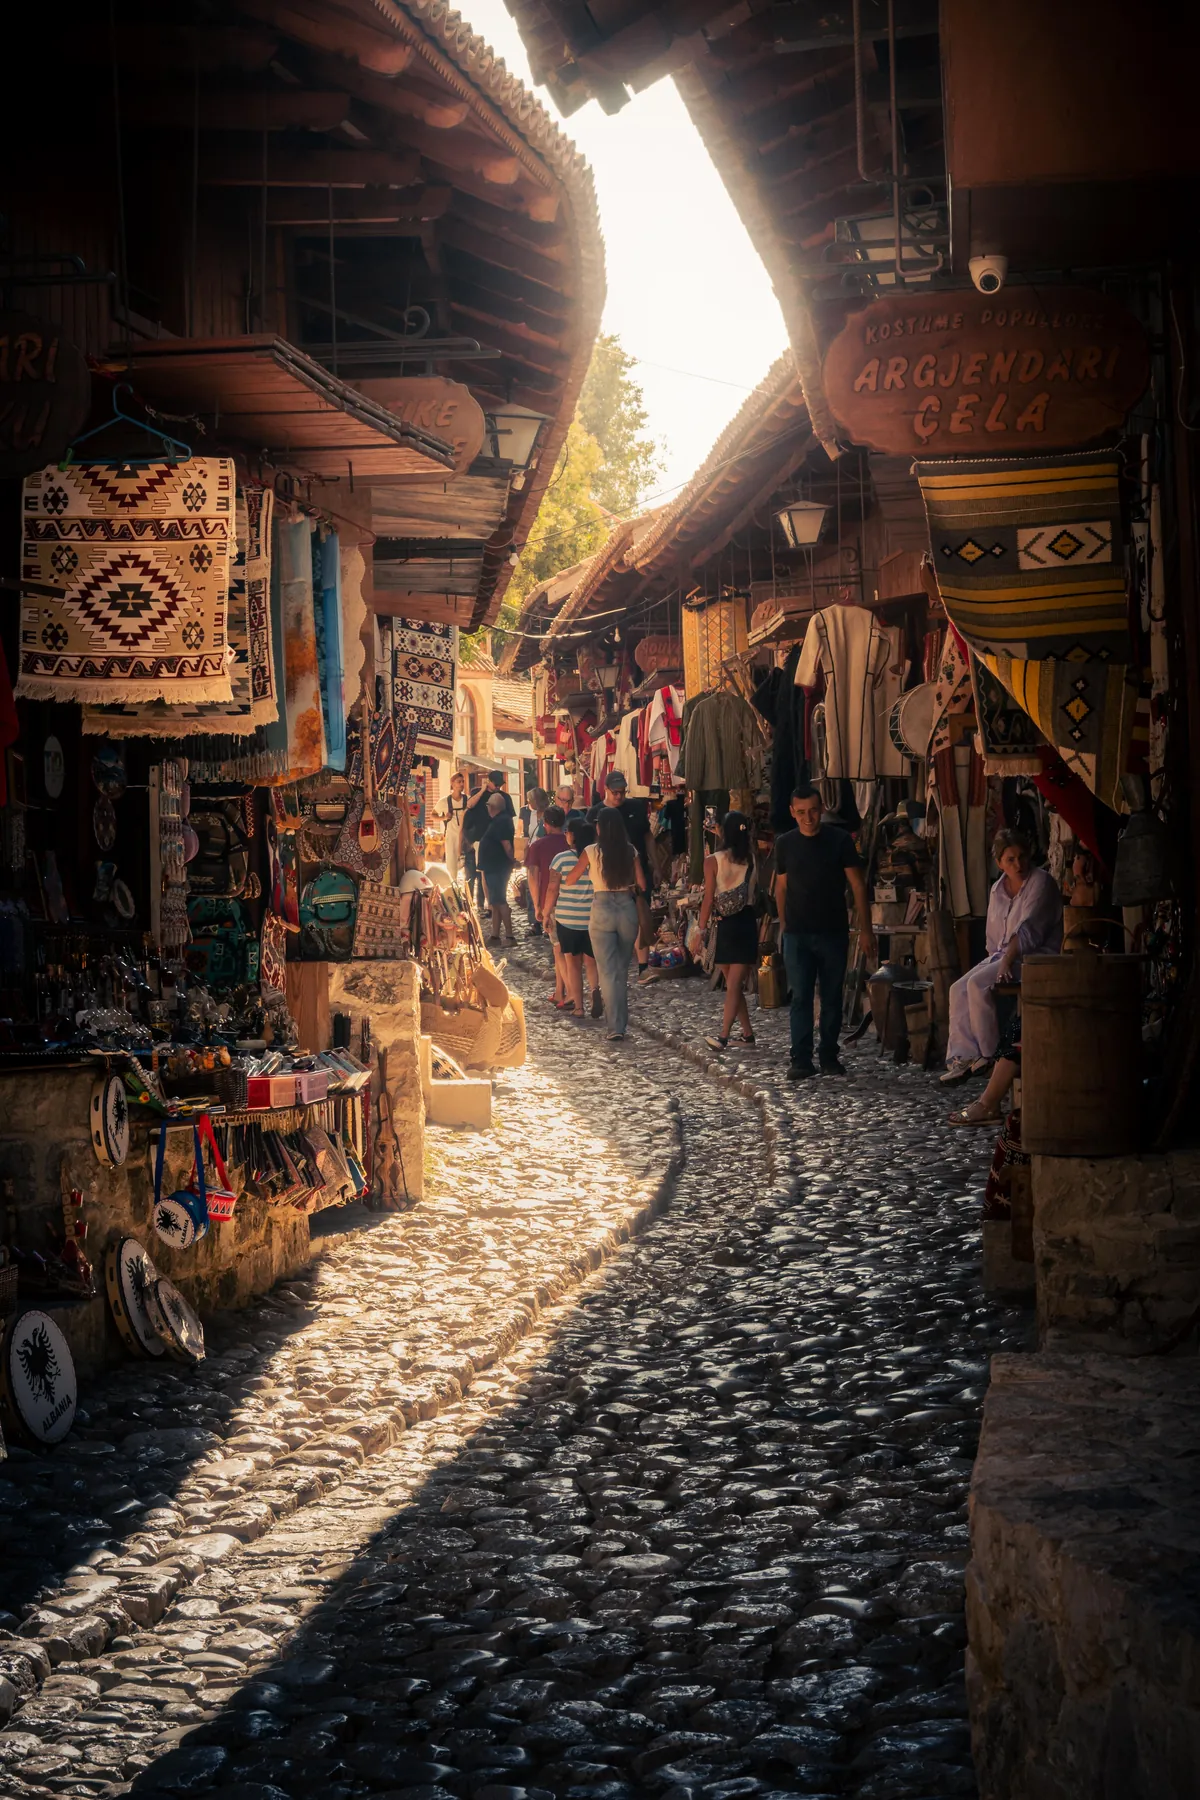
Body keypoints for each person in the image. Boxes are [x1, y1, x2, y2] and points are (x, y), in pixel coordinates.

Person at [941, 827, 1063, 1085]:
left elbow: (1029, 930)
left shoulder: (1041, 882)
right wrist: (996, 961)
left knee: (977, 984)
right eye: (1010, 859)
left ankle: (989, 1055)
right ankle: (963, 1057)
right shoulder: (997, 889)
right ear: (999, 863)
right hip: (1003, 956)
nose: (1018, 864)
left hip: (1035, 957)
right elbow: (994, 939)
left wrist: (1004, 962)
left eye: (1022, 856)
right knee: (957, 988)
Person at [774, 785, 872, 1080]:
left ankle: (829, 1055)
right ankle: (801, 1059)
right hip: (798, 934)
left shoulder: (840, 841)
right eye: (801, 812)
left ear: (822, 810)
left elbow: (857, 885)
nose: (808, 817)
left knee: (831, 996)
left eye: (813, 811)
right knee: (801, 996)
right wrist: (784, 926)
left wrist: (866, 930)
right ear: (793, 813)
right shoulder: (785, 844)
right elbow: (781, 886)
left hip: (832, 931)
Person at [566, 805, 645, 1040]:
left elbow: (571, 879)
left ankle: (615, 1028)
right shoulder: (630, 851)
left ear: (599, 827)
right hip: (626, 909)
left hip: (601, 910)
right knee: (621, 970)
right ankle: (620, 1023)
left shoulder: (590, 851)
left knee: (607, 972)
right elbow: (642, 883)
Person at [697, 810, 759, 1052]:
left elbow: (708, 899)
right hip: (745, 923)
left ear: (722, 831)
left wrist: (701, 930)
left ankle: (723, 1036)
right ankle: (747, 1034)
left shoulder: (712, 860)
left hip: (723, 924)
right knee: (734, 984)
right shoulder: (752, 860)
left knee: (732, 984)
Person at [588, 770, 652, 975]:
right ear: (605, 790)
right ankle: (617, 963)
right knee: (613, 919)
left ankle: (643, 966)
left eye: (622, 792)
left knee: (640, 912)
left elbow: (647, 836)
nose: (619, 796)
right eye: (615, 792)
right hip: (606, 877)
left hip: (635, 870)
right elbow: (589, 847)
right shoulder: (595, 813)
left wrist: (657, 865)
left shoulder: (635, 807)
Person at [544, 814, 601, 1021]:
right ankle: (595, 990)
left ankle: (579, 1007)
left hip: (567, 919)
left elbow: (552, 888)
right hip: (592, 916)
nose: (566, 834)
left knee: (573, 965)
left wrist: (544, 913)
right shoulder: (595, 856)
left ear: (572, 836)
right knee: (591, 962)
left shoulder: (561, 859)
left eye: (567, 832)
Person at [463, 771, 513, 911]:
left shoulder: (505, 797)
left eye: (500, 784)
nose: (498, 787)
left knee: (497, 872)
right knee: (481, 873)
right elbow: (469, 805)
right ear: (489, 781)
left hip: (500, 838)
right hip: (481, 839)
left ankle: (495, 902)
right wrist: (483, 790)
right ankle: (486, 905)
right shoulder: (478, 794)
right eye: (495, 783)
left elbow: (510, 818)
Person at [526, 803, 568, 958]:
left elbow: (532, 877)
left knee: (558, 949)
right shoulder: (570, 842)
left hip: (549, 902)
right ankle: (561, 983)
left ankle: (564, 982)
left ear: (546, 824)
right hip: (572, 901)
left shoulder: (537, 846)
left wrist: (537, 906)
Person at [477, 791, 516, 945]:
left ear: (492, 807)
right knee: (495, 901)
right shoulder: (500, 820)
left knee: (500, 901)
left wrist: (513, 860)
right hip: (493, 866)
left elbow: (506, 844)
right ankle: (495, 936)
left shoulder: (501, 821)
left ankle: (510, 936)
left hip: (497, 866)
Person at [518, 786, 549, 934]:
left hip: (545, 854)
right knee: (532, 888)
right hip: (532, 853)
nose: (528, 802)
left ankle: (546, 919)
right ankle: (534, 923)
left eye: (530, 800)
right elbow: (528, 836)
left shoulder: (549, 815)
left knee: (544, 887)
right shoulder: (531, 814)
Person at [439, 770, 468, 885]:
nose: (461, 784)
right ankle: (453, 890)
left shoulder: (467, 799)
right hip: (451, 836)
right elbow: (433, 815)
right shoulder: (445, 801)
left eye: (463, 782)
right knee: (451, 867)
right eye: (459, 782)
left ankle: (467, 891)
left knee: (467, 866)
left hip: (465, 836)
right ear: (452, 783)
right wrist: (444, 818)